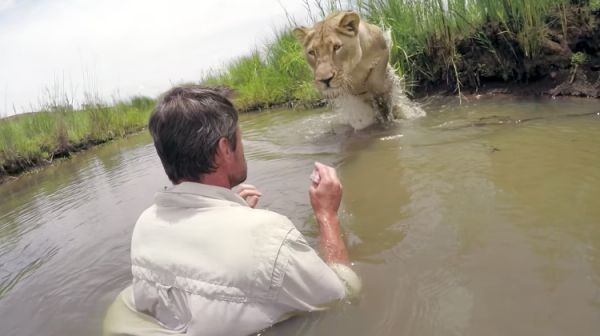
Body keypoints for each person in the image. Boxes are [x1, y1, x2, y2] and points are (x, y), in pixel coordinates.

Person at [103, 85, 361, 336]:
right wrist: (326, 214)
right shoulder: (269, 236)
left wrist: (231, 209)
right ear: (225, 149)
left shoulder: (146, 223)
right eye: (240, 137)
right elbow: (342, 294)